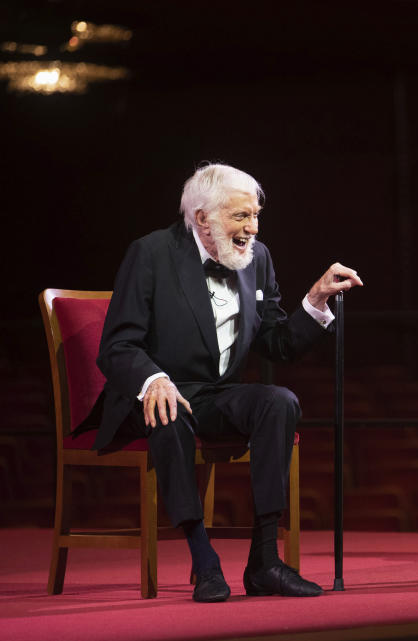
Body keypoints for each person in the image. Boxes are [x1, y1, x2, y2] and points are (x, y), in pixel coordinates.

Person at [87, 163, 362, 601]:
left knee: (280, 401)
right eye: (240, 217)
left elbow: (278, 343)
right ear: (202, 218)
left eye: (255, 216)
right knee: (169, 410)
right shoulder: (152, 253)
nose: (252, 228)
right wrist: (153, 378)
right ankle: (204, 561)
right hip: (160, 393)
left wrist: (315, 300)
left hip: (216, 395)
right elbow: (117, 345)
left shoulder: (258, 258)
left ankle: (264, 561)